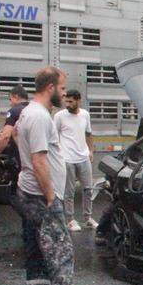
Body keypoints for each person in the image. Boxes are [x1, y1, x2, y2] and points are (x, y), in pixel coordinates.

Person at [13, 66, 104, 285]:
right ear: (50, 88)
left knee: (36, 253)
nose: (64, 94)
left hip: (28, 194)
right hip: (42, 198)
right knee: (61, 253)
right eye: (62, 89)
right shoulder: (41, 117)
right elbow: (40, 160)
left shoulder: (27, 112)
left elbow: (18, 137)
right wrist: (52, 198)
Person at [0, 85, 31, 243]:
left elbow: (7, 135)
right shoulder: (33, 110)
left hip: (19, 161)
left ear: (15, 97)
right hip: (31, 159)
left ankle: (31, 224)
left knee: (15, 197)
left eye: (10, 99)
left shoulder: (14, 111)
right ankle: (28, 231)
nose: (10, 102)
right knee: (29, 196)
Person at [54, 89, 97, 232]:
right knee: (69, 192)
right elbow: (53, 136)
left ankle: (87, 218)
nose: (67, 104)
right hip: (67, 159)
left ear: (78, 100)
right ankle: (70, 220)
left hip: (83, 157)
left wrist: (90, 150)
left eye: (71, 101)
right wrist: (58, 155)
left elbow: (89, 134)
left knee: (88, 189)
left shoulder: (85, 115)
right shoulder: (59, 116)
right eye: (66, 101)